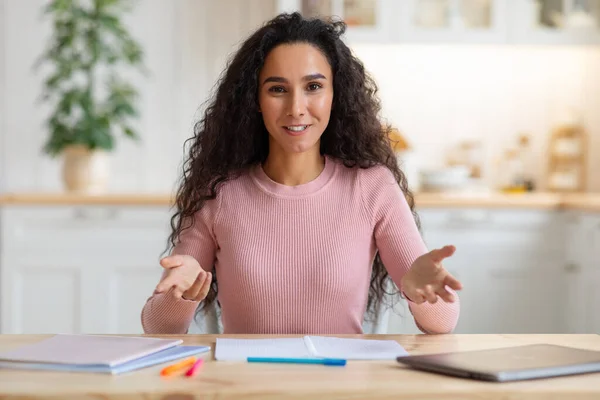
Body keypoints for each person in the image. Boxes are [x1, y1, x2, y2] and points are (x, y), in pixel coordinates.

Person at [141, 12, 462, 335]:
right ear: (255, 99)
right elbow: (157, 327)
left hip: (342, 381)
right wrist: (177, 296)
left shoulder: (371, 186)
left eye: (313, 87)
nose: (296, 107)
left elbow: (443, 322)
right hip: (244, 382)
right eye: (277, 89)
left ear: (336, 94)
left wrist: (425, 292)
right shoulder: (218, 194)